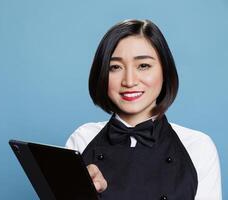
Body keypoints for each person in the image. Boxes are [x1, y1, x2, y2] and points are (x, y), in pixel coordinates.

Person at [66, 19, 222, 199]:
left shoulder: (198, 147)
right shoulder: (82, 140)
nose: (129, 81)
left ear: (165, 70)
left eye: (143, 66)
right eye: (115, 67)